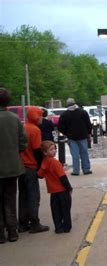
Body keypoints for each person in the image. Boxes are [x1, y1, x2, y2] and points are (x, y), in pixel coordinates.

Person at [0, 88, 28, 243]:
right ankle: (12, 232)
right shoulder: (14, 118)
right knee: (10, 199)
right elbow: (23, 142)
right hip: (12, 166)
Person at [19, 106, 50, 233]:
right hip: (31, 166)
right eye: (40, 115)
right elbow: (37, 151)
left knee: (23, 194)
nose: (42, 118)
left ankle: (22, 223)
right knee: (33, 195)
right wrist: (40, 168)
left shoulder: (23, 127)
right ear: (36, 117)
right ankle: (34, 223)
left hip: (21, 165)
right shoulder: (35, 130)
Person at [37, 141, 73, 234]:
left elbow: (40, 175)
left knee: (55, 210)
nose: (54, 151)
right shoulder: (56, 163)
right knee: (65, 209)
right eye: (51, 149)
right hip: (62, 190)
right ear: (45, 152)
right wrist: (69, 188)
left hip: (53, 191)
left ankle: (58, 227)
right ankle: (67, 227)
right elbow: (62, 177)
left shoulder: (44, 162)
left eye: (55, 149)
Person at [58, 98, 92, 176]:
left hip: (71, 137)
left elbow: (60, 127)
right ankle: (86, 169)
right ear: (75, 103)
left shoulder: (64, 115)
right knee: (84, 153)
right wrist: (89, 133)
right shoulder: (83, 112)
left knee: (75, 154)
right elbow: (88, 124)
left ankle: (76, 170)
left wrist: (66, 133)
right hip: (83, 135)